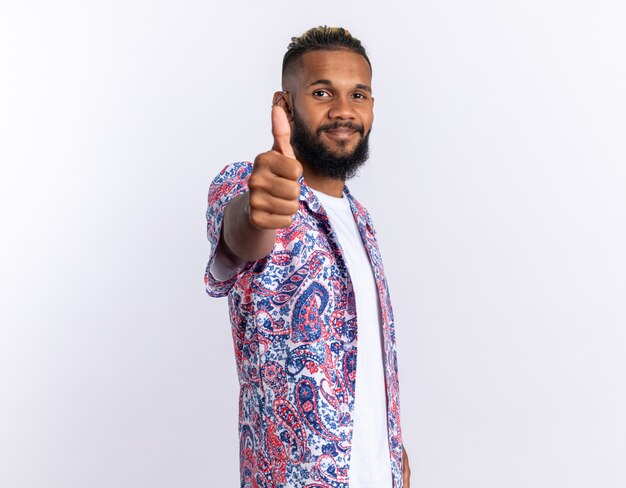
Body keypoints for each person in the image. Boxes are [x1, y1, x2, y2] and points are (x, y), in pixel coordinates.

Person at [205, 26, 410, 487]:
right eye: (322, 92)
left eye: (358, 95)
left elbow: (365, 359)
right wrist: (257, 214)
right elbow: (242, 234)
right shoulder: (246, 185)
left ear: (372, 107)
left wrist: (393, 449)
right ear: (286, 104)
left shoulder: (361, 221)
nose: (344, 111)